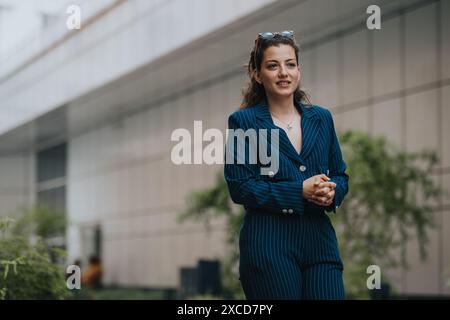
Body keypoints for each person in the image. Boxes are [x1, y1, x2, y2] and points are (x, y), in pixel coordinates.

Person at [224, 31, 349, 300]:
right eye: (273, 65)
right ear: (257, 74)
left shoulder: (321, 118)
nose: (283, 72)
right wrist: (299, 190)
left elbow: (340, 173)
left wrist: (332, 191)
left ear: (298, 70)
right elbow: (240, 186)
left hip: (319, 242)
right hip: (269, 244)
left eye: (290, 64)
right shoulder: (243, 122)